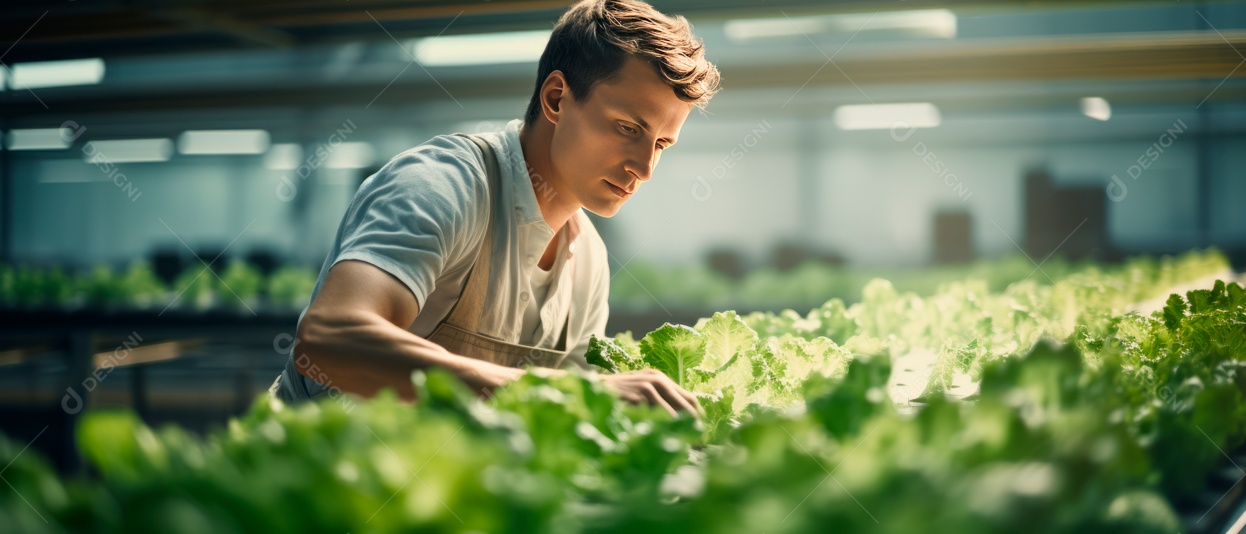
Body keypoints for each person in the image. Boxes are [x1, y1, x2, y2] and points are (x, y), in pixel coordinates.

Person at [269, 0, 720, 417]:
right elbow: (329, 338)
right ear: (557, 98)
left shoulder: (589, 264)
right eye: (627, 128)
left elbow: (559, 422)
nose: (644, 168)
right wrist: (555, 391)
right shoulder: (444, 185)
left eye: (661, 144)